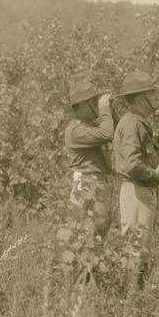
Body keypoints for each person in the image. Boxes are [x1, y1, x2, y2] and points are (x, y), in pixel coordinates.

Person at [113, 71, 159, 252]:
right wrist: (155, 174)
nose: (156, 97)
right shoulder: (132, 123)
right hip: (137, 191)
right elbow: (131, 164)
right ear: (139, 99)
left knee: (139, 250)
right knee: (136, 252)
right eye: (151, 93)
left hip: (140, 191)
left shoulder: (137, 121)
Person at [64, 79, 114, 239]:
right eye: (94, 101)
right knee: (84, 238)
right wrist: (105, 108)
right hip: (88, 184)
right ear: (85, 104)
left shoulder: (91, 124)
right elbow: (107, 134)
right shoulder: (76, 129)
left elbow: (118, 129)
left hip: (98, 184)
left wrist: (110, 109)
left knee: (98, 237)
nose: (97, 104)